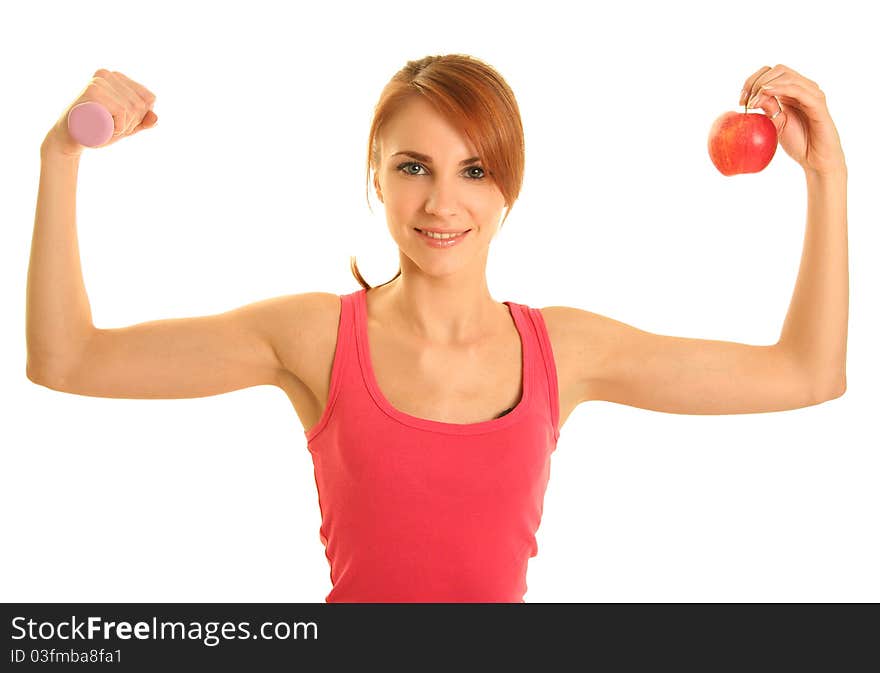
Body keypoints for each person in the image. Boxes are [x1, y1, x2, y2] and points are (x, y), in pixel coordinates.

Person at [27, 55, 848, 603]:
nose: (442, 203)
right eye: (413, 167)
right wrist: (59, 158)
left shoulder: (563, 350)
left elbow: (806, 374)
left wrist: (828, 176)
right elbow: (69, 359)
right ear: (377, 179)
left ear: (507, 189)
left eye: (475, 169)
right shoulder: (313, 337)